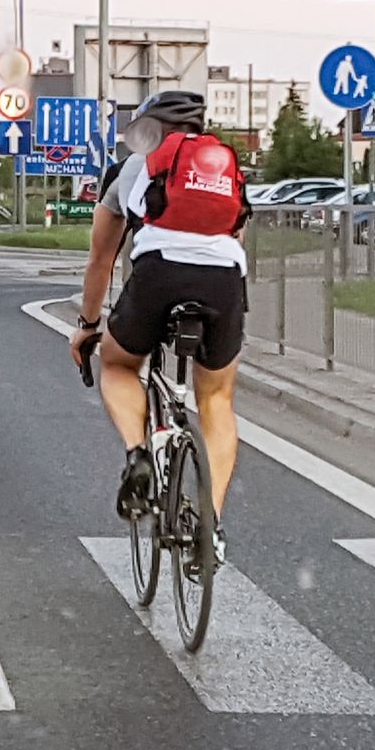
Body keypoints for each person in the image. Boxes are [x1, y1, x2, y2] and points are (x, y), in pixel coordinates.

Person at [69, 90, 248, 564]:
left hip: (158, 274)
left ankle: (138, 455)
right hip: (224, 279)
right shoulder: (222, 166)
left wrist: (88, 325)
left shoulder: (132, 168)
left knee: (119, 365)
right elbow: (235, 238)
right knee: (217, 398)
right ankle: (210, 525)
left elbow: (101, 259)